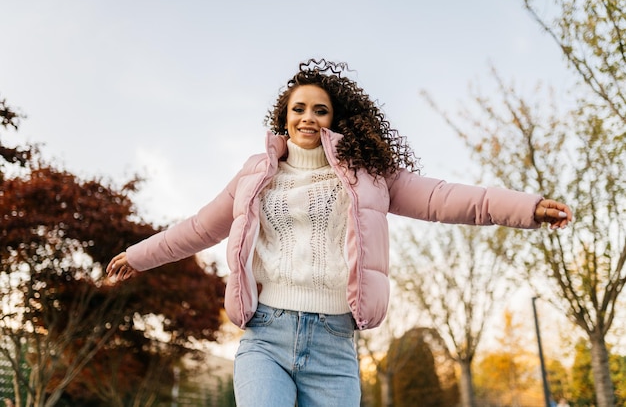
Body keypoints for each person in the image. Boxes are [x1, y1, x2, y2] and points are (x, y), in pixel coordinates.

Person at [106, 59, 572, 407]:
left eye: (320, 110)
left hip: (334, 343)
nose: (308, 117)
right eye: (298, 108)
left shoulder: (369, 174)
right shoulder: (254, 175)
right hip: (266, 335)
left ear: (335, 119)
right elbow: (198, 227)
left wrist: (527, 208)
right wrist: (138, 255)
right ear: (283, 118)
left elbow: (446, 199)